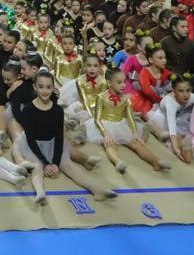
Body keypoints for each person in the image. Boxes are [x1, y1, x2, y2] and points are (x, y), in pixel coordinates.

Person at [12, 71, 116, 206]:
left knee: (70, 167)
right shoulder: (28, 109)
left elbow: (59, 138)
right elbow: (31, 140)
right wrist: (45, 163)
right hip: (33, 146)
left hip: (53, 145)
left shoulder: (57, 110)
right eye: (41, 87)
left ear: (53, 88)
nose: (45, 91)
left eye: (48, 87)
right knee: (37, 167)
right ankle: (40, 192)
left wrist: (55, 162)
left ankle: (97, 189)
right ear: (35, 87)